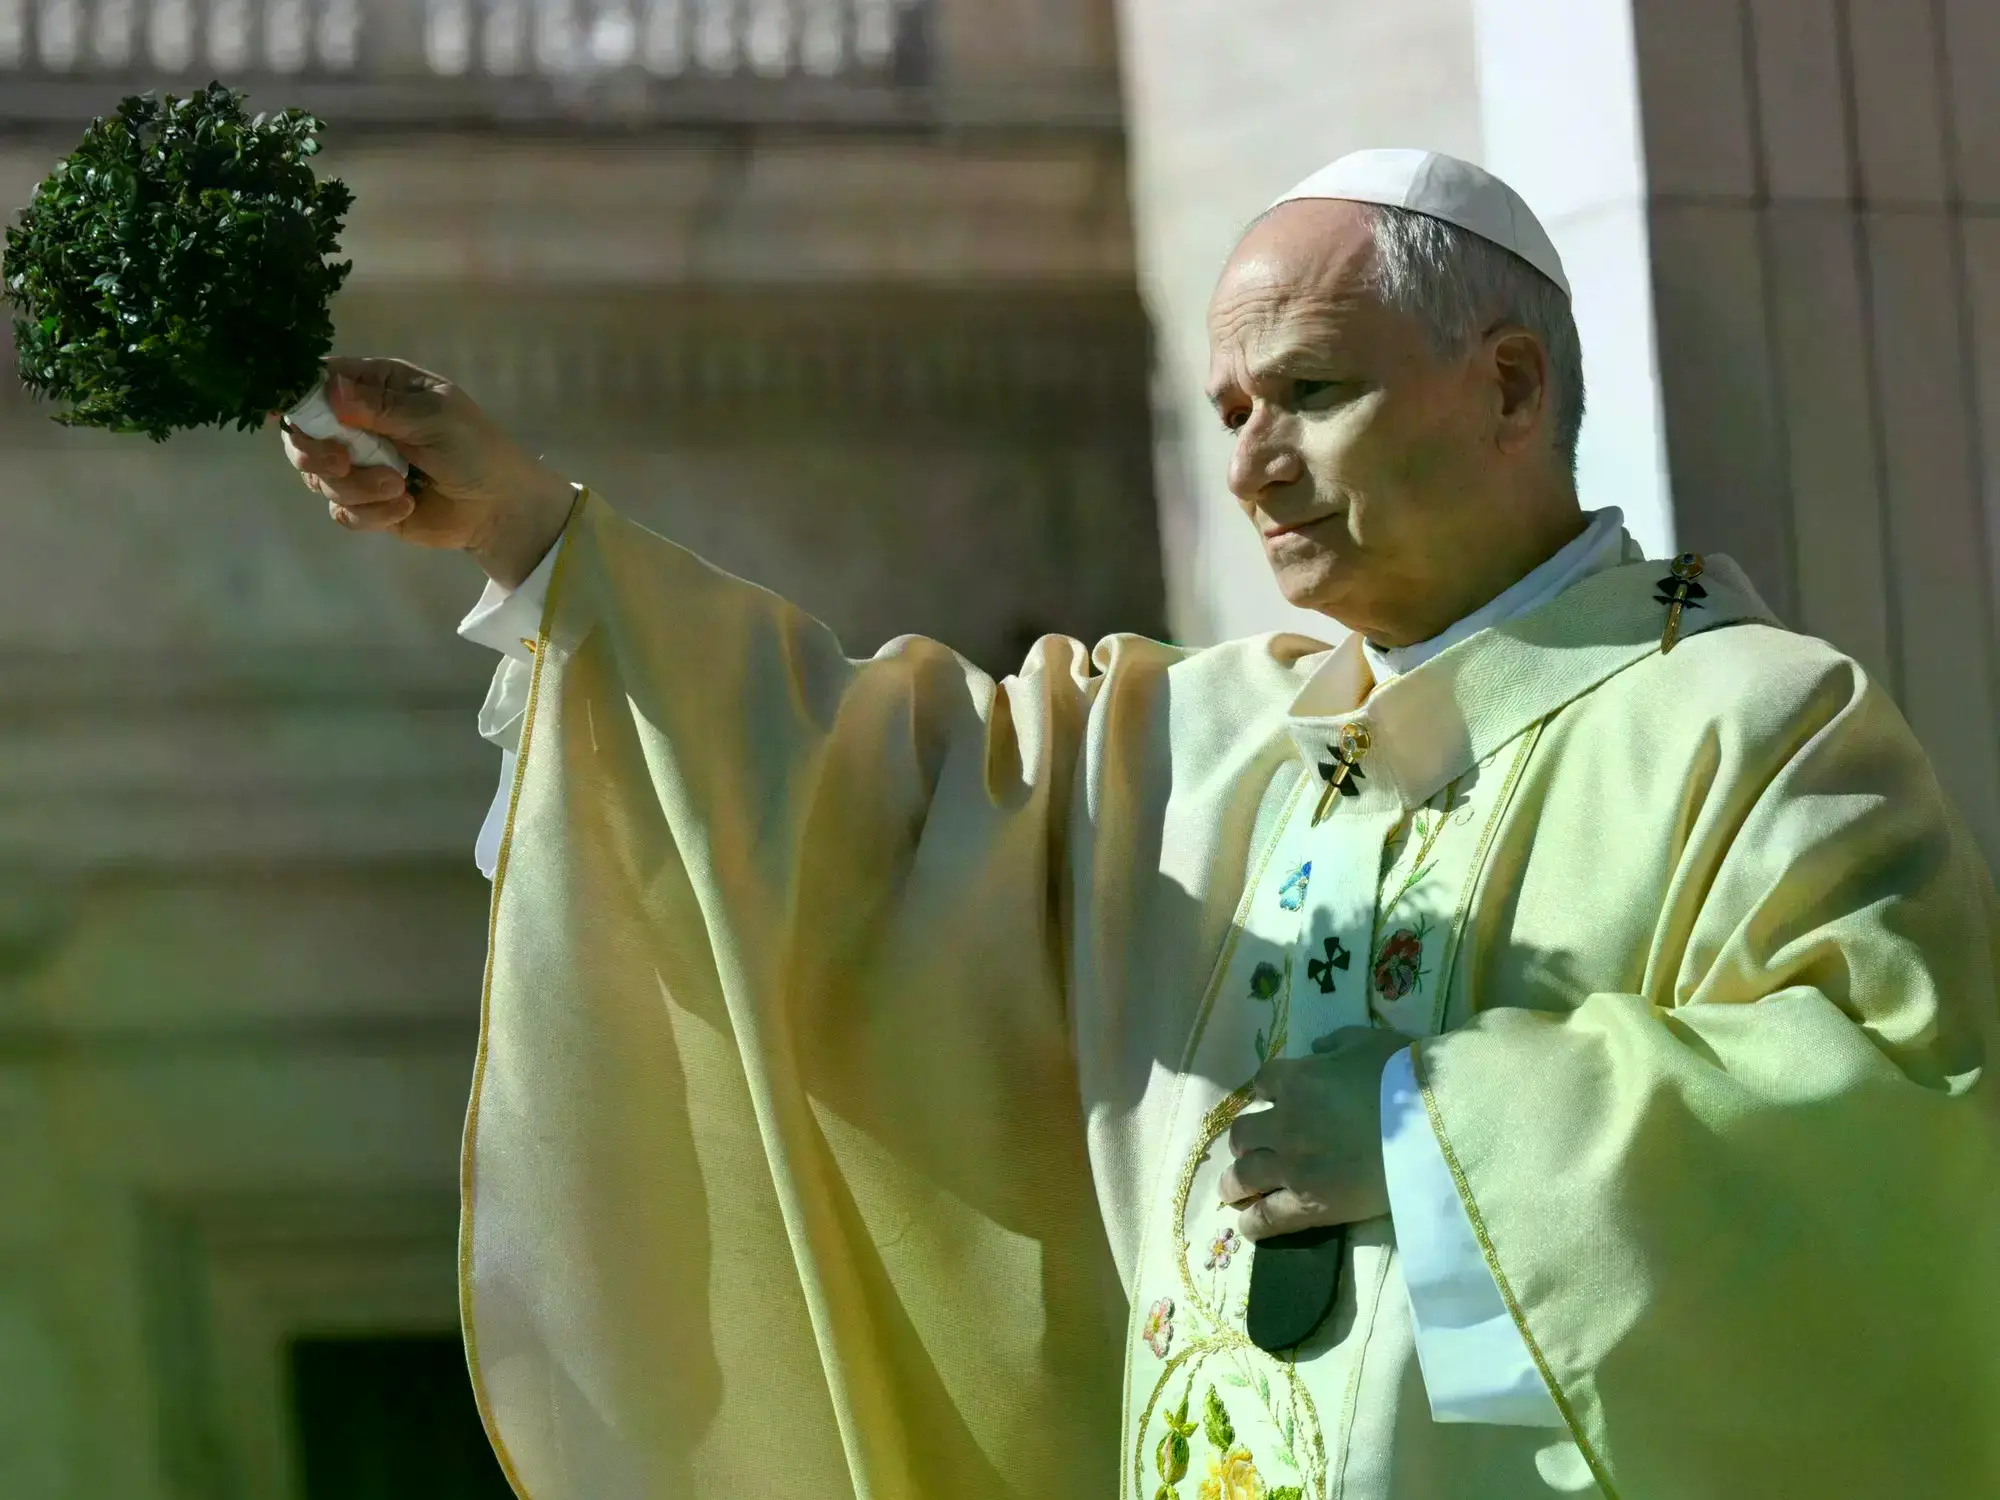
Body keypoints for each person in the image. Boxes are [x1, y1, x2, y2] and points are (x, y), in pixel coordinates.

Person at [280, 150, 2000, 1500]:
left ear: (1512, 385)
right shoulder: (1191, 743)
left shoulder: (1749, 718)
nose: (1253, 466)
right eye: (1231, 412)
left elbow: (1907, 1132)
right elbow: (834, 800)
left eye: (1311, 391)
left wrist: (1433, 1134)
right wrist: (540, 540)